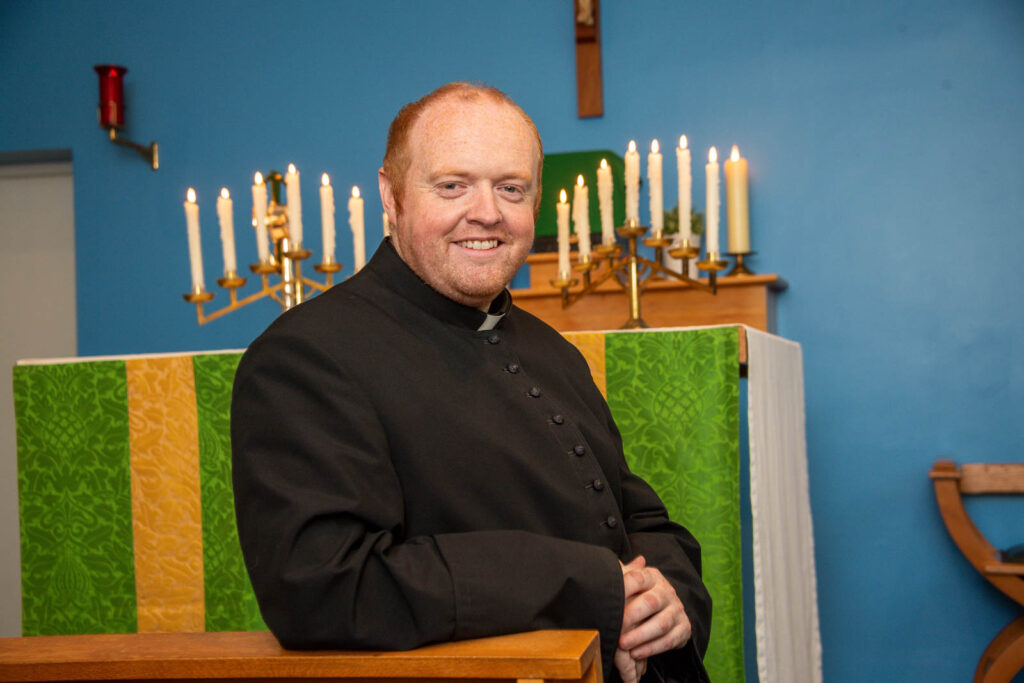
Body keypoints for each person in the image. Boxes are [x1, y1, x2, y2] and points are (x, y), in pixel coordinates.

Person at [231, 82, 711, 683]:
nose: (486, 212)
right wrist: (588, 587)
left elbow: (636, 517)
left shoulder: (551, 350)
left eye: (511, 189)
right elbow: (323, 587)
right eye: (452, 185)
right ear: (392, 194)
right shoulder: (306, 355)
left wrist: (667, 600)